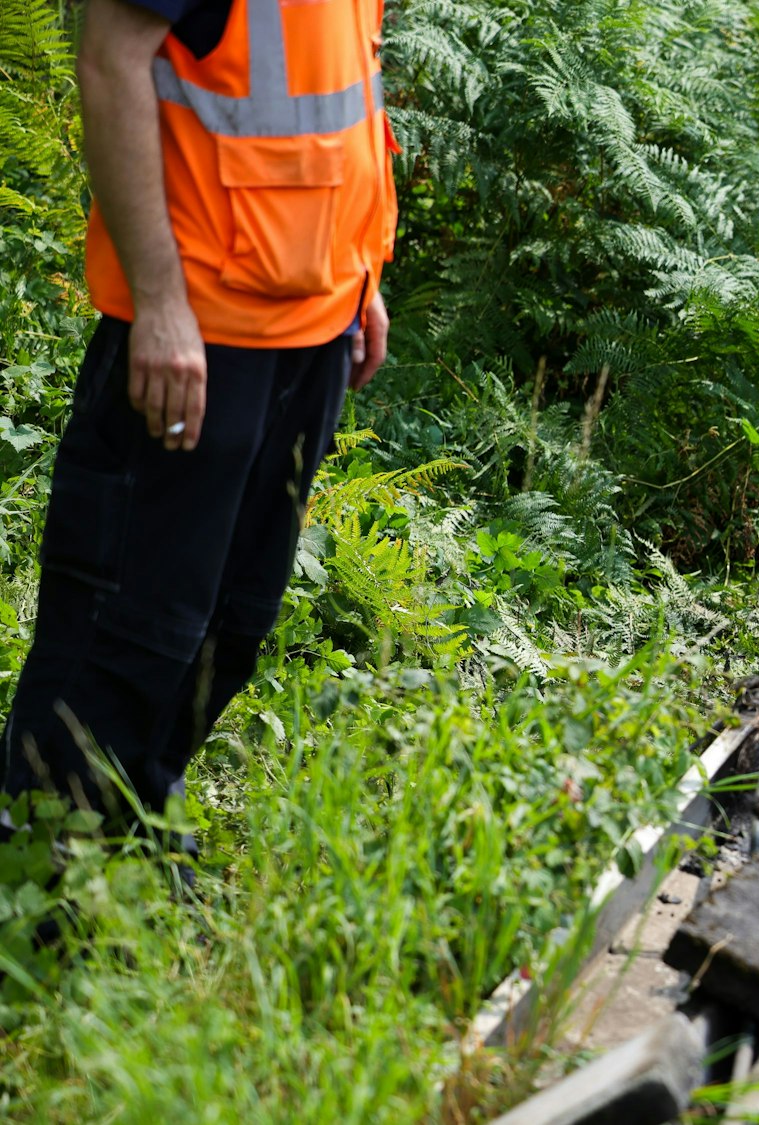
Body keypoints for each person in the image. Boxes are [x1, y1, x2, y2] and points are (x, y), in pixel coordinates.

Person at [1, 0, 396, 817]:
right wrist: (160, 302)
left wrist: (362, 270)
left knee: (236, 617)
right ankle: (40, 859)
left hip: (317, 324)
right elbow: (111, 62)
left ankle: (136, 817)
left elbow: (334, 84)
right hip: (198, 333)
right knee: (129, 620)